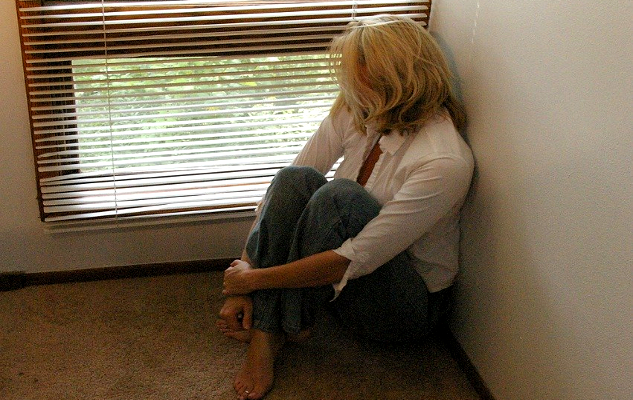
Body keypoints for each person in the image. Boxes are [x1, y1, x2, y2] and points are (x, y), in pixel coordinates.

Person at [216, 14, 474, 400]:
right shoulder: (359, 110)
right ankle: (285, 319)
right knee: (296, 178)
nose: (348, 82)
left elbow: (355, 259)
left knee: (339, 198)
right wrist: (244, 273)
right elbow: (282, 193)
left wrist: (253, 282)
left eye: (358, 72)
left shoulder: (443, 161)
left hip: (404, 307)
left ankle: (267, 336)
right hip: (341, 283)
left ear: (393, 77)